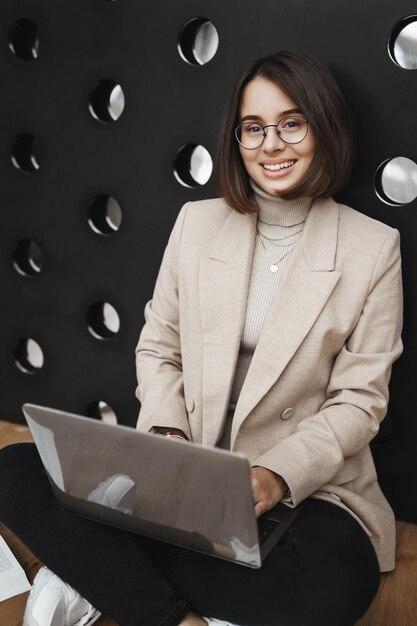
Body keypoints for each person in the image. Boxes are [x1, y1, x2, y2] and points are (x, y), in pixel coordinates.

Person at [0, 50, 403, 626]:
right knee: (14, 471)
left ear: (323, 128)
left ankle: (98, 571)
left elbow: (361, 401)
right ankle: (172, 615)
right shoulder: (197, 222)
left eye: (292, 123)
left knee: (339, 579)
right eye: (253, 128)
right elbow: (158, 347)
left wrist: (275, 474)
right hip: (186, 463)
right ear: (236, 139)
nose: (271, 144)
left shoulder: (372, 247)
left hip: (300, 486)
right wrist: (167, 441)